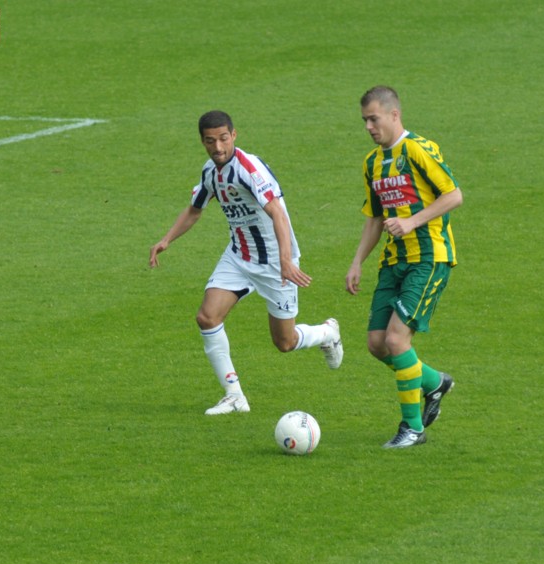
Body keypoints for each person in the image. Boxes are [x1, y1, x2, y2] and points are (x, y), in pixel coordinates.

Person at [150, 110, 343, 415]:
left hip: (275, 263)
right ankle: (234, 395)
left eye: (223, 139)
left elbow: (277, 213)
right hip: (239, 256)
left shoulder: (249, 169)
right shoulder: (210, 172)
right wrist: (166, 239)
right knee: (207, 317)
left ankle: (327, 333)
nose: (218, 147)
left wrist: (284, 261)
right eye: (210, 141)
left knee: (285, 342)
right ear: (202, 141)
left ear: (234, 135)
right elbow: (194, 210)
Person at [345, 86, 462, 448]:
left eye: (374, 118)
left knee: (397, 339)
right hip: (393, 262)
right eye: (364, 120)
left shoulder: (418, 149)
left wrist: (413, 222)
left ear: (395, 115)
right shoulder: (372, 163)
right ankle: (434, 383)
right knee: (377, 344)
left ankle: (412, 428)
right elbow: (375, 219)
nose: (368, 126)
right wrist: (356, 262)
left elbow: (453, 195)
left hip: (428, 259)